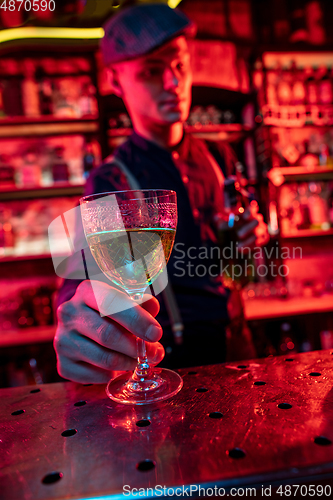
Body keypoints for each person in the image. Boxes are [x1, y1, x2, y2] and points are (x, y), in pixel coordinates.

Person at [54, 3, 268, 384]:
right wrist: (77, 316)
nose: (173, 83)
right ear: (116, 82)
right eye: (152, 71)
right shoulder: (110, 181)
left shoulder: (218, 156)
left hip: (238, 345)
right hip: (170, 364)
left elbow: (239, 267)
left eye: (180, 66)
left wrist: (249, 241)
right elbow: (80, 282)